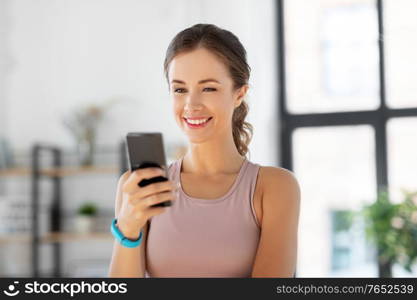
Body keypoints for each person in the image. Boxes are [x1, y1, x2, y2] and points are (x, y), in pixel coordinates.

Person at [108, 23, 300, 278]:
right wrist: (128, 228)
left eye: (208, 88)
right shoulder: (136, 189)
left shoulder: (274, 187)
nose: (191, 104)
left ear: (239, 93)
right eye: (179, 89)